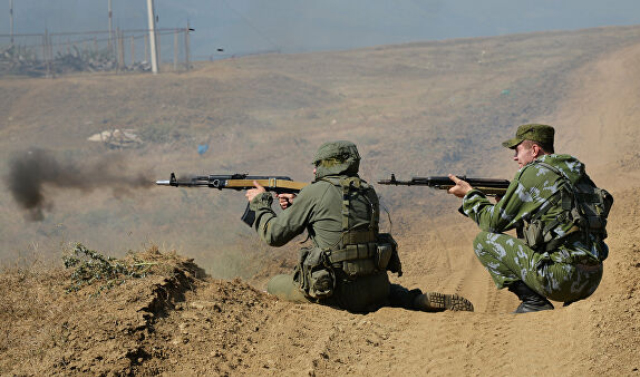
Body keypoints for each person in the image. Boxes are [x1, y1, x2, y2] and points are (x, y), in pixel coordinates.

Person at [245, 140, 474, 313]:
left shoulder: (315, 192)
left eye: (318, 164)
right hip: (374, 288)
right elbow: (339, 224)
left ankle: (403, 299)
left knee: (275, 283)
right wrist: (299, 205)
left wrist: (260, 202)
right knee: (388, 291)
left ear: (328, 165)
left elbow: (274, 235)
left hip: (334, 292)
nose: (314, 170)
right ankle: (413, 299)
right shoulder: (366, 190)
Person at [447, 124, 612, 313]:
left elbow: (491, 223)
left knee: (483, 241)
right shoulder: (574, 172)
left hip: (562, 280)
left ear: (534, 150)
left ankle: (534, 302)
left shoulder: (533, 172)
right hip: (592, 279)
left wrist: (470, 196)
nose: (515, 157)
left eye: (517, 150)